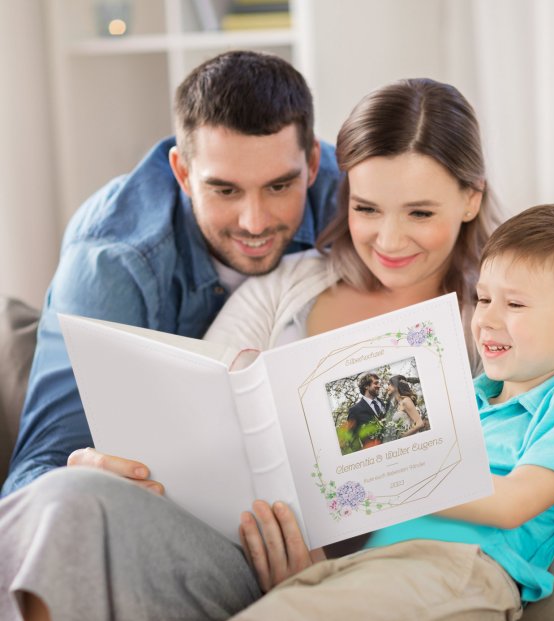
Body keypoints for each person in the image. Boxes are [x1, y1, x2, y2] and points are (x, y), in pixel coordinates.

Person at [0, 77, 500, 621]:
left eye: (420, 214)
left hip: (354, 582)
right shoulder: (292, 282)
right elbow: (192, 401)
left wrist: (319, 579)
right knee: (70, 498)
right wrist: (112, 465)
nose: (389, 239)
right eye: (367, 209)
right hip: (214, 546)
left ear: (470, 197)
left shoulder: (490, 324)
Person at [223, 203, 554, 621]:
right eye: (483, 298)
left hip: (460, 570)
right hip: (373, 566)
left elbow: (513, 504)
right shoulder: (463, 394)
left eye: (516, 305)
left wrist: (391, 469)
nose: (486, 318)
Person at [1, 50, 340, 497]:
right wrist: (79, 483)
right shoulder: (112, 263)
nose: (254, 222)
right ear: (182, 172)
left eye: (279, 186)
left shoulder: (356, 201)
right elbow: (30, 479)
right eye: (224, 190)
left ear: (312, 163)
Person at [346, 372, 385, 447]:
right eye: (376, 383)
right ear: (366, 386)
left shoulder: (385, 404)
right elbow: (351, 438)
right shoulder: (354, 410)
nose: (379, 386)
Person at [382, 374, 425, 441]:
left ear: (396, 386)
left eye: (389, 384)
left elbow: (420, 424)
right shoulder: (397, 405)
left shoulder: (406, 401)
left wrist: (403, 436)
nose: (387, 388)